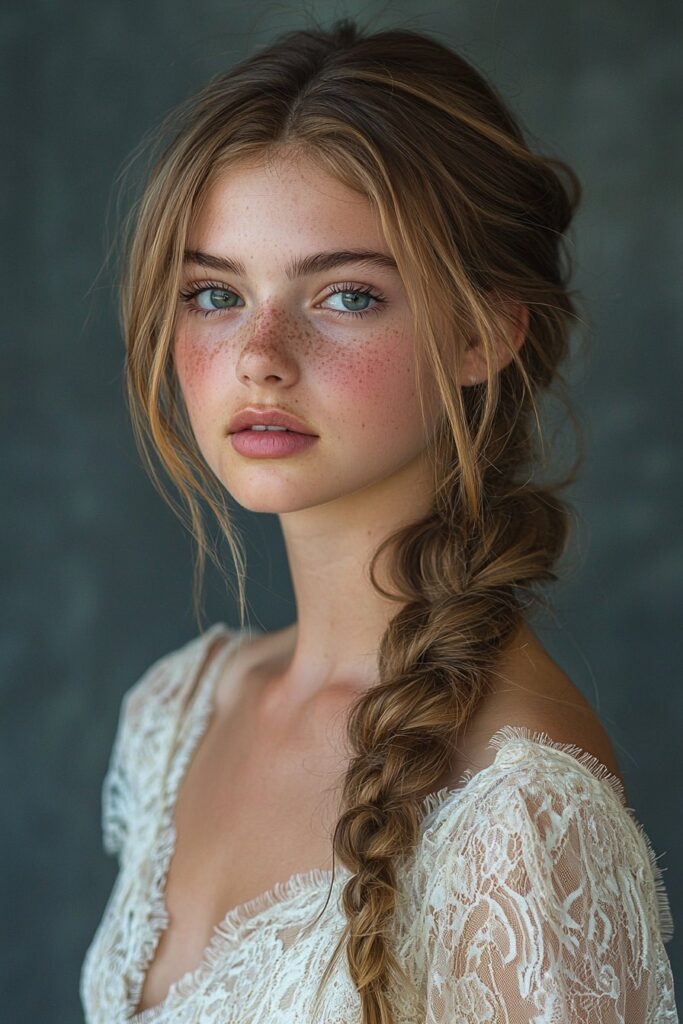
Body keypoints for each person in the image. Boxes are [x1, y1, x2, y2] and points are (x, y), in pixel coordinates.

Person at [80, 16, 678, 1024]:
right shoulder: (175, 713)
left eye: (346, 294)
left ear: (481, 333)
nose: (259, 355)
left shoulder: (518, 813)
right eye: (216, 292)